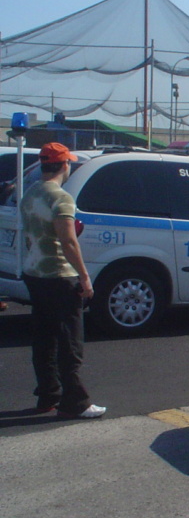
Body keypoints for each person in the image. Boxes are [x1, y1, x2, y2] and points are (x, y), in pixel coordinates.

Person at [19, 142, 106, 419]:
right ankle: (76, 403)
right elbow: (68, 241)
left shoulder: (30, 194)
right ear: (64, 165)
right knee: (70, 342)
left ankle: (48, 396)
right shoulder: (61, 198)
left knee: (44, 339)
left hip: (34, 273)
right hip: (60, 275)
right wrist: (84, 276)